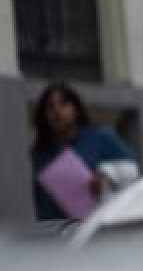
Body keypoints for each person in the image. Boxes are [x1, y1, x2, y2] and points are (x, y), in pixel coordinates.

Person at [30, 83, 137, 221]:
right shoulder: (42, 152)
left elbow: (132, 169)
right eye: (50, 107)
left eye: (63, 104)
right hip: (56, 227)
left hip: (99, 222)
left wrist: (105, 177)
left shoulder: (99, 137)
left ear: (76, 108)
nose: (57, 111)